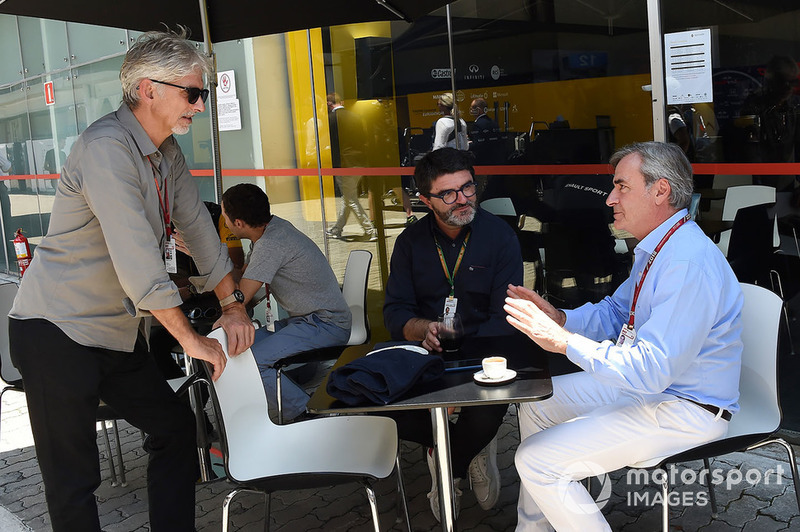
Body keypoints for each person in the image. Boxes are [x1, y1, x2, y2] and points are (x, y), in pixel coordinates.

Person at [7, 29, 255, 532]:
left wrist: (232, 304)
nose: (200, 106)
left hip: (116, 334)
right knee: (73, 479)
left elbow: (199, 230)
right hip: (56, 331)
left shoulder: (165, 152)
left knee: (175, 431)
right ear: (149, 89)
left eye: (201, 94)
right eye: (193, 93)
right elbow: (138, 260)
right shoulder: (106, 147)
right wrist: (190, 339)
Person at [504, 141, 743, 531]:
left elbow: (651, 369)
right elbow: (618, 313)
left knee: (537, 460)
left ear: (661, 190)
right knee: (537, 403)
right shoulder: (660, 246)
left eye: (622, 186)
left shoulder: (685, 262)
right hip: (654, 389)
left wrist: (562, 342)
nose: (611, 198)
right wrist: (561, 318)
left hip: (687, 407)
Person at [383, 147, 524, 519]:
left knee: (487, 409)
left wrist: (462, 371)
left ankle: (450, 467)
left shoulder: (500, 237)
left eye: (467, 188)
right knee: (385, 409)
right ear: (426, 200)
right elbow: (395, 311)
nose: (462, 200)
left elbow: (506, 314)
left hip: (487, 349)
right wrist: (421, 329)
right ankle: (468, 447)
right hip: (425, 353)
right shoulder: (409, 244)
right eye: (448, 194)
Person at [221, 183, 352, 421]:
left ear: (238, 223)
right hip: (306, 321)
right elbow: (246, 280)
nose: (224, 222)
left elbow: (241, 297)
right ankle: (258, 412)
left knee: (252, 362)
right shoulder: (272, 229)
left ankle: (307, 416)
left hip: (325, 324)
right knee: (235, 351)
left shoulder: (271, 244)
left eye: (224, 216)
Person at [325, 92, 377, 241]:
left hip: (344, 164)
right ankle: (337, 229)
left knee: (350, 199)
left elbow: (334, 145)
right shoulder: (356, 117)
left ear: (329, 104)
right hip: (359, 162)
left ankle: (369, 230)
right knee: (349, 197)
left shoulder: (332, 119)